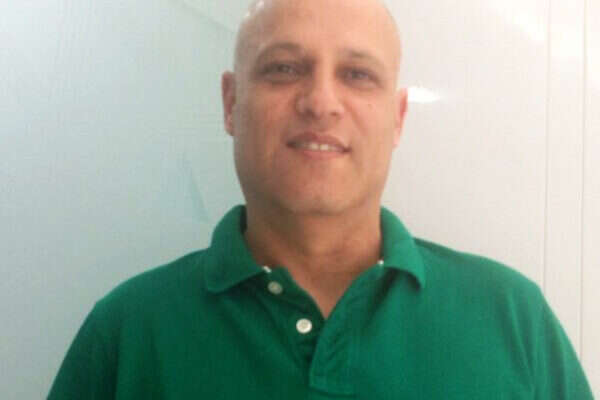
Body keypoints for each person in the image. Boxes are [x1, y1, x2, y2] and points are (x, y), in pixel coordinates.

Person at [48, 0, 594, 398]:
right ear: (231, 103)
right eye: (284, 68)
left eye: (357, 74)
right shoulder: (126, 333)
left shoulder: (513, 318)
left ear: (397, 118)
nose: (320, 102)